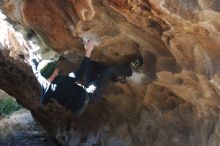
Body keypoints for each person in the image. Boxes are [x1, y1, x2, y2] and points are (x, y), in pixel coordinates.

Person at [29, 40, 143, 115]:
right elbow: (80, 73)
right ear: (52, 72)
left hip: (83, 93)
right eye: (55, 68)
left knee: (92, 65)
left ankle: (117, 76)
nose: (57, 68)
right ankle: (130, 69)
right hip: (90, 96)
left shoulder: (44, 81)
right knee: (110, 70)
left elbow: (36, 72)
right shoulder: (60, 83)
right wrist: (88, 51)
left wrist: (32, 59)